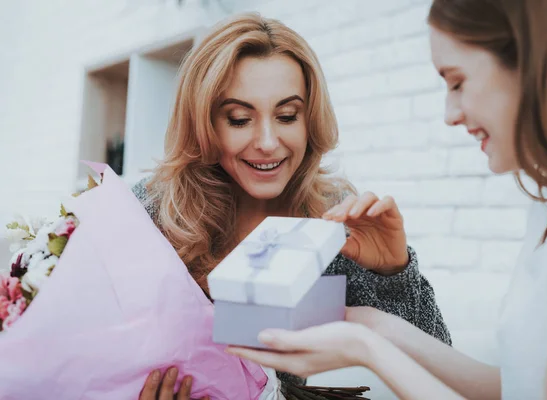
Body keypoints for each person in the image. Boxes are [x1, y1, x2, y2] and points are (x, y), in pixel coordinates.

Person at [228, 0, 547, 399]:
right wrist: (371, 325)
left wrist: (367, 346)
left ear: (534, 67)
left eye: (457, 83)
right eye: (238, 118)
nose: (449, 114)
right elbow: (517, 388)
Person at [132, 12, 451, 400]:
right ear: (204, 125)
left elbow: (441, 370)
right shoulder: (150, 212)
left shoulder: (334, 220)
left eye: (286, 116)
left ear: (309, 119)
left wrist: (395, 274)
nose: (268, 141)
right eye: (239, 119)